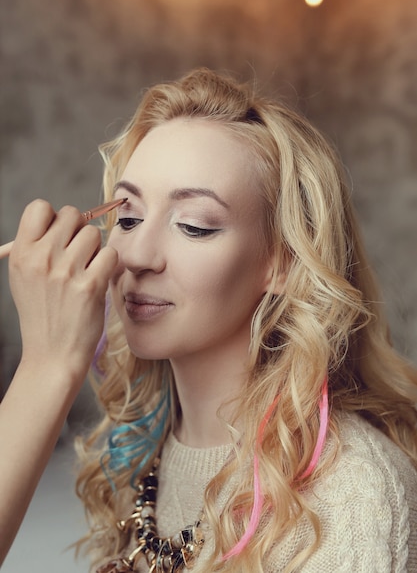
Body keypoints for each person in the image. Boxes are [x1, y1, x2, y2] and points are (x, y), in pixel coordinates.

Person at [2, 68, 417, 572]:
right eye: (128, 218)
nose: (137, 255)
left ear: (283, 262)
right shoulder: (137, 458)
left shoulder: (350, 495)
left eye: (193, 225)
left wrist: (48, 363)